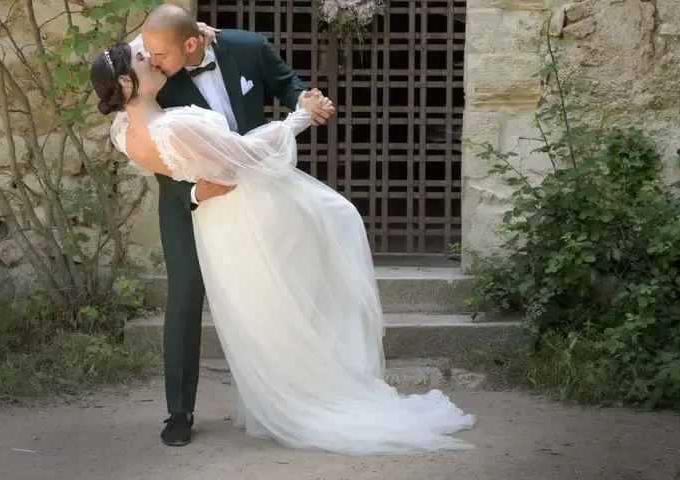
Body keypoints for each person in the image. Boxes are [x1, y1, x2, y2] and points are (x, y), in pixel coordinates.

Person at [92, 40, 476, 455]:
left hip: (219, 216)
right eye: (142, 56)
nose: (149, 53)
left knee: (272, 302)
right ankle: (286, 393)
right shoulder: (172, 123)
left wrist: (197, 29)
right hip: (238, 204)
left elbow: (134, 55)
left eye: (152, 50)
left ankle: (304, 381)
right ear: (129, 83)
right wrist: (298, 119)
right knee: (301, 270)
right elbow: (246, 155)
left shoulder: (122, 132)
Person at [109, 4, 335, 446]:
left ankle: (286, 397)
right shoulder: (155, 73)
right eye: (149, 56)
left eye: (161, 55)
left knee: (270, 289)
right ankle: (179, 411)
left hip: (250, 192)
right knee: (186, 295)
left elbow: (288, 83)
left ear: (192, 43)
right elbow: (158, 153)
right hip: (185, 200)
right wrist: (194, 194)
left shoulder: (249, 47)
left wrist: (307, 101)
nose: (153, 61)